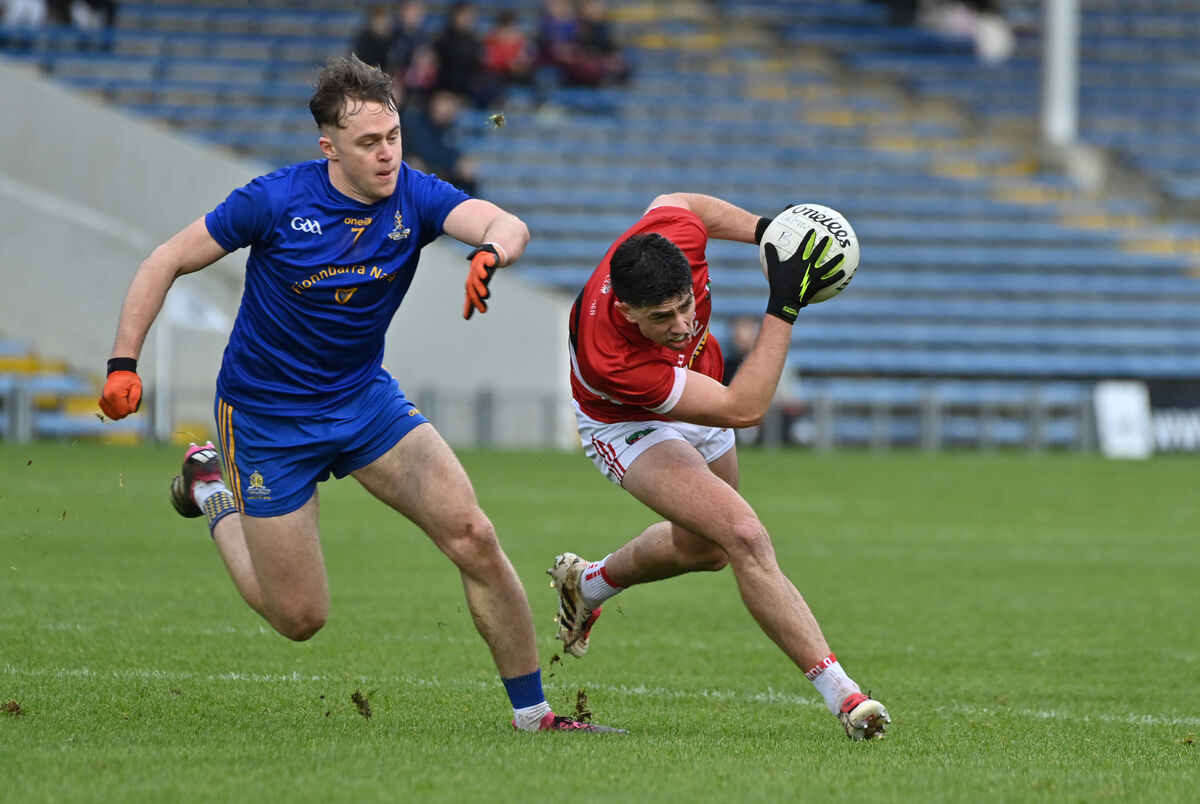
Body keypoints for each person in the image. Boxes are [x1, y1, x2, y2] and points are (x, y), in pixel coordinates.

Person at [97, 54, 622, 735]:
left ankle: (534, 716)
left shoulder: (415, 194)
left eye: (394, 137)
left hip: (362, 401)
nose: (387, 154)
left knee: (474, 534)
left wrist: (490, 252)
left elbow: (505, 222)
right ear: (330, 148)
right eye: (369, 143)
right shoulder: (274, 200)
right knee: (300, 618)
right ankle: (211, 490)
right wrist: (121, 361)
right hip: (265, 418)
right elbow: (163, 259)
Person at [549, 193, 891, 740]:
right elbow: (746, 408)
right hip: (627, 421)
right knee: (745, 535)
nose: (683, 323)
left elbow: (683, 203)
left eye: (687, 304)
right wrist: (786, 300)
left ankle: (588, 584)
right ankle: (847, 698)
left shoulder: (671, 236)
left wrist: (769, 232)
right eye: (662, 317)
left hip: (699, 387)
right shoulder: (609, 355)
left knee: (703, 551)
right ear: (625, 310)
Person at [401, 88, 479, 196]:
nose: (446, 108)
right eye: (443, 101)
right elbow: (425, 151)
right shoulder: (417, 123)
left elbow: (464, 163)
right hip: (425, 176)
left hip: (447, 180)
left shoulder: (455, 129)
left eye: (450, 103)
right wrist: (454, 163)